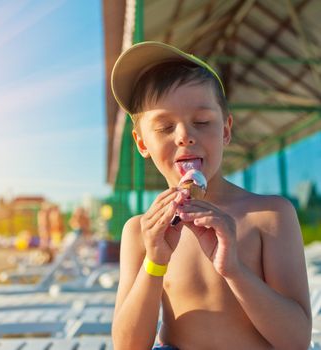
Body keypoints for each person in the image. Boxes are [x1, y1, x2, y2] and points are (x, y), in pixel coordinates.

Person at [110, 41, 311, 349]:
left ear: (226, 130)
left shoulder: (269, 215)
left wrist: (234, 271)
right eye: (164, 127)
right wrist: (155, 261)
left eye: (202, 122)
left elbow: (296, 340)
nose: (184, 136)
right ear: (142, 144)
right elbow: (128, 345)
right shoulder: (140, 232)